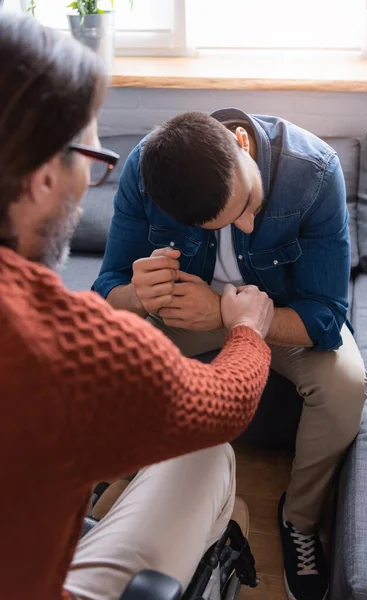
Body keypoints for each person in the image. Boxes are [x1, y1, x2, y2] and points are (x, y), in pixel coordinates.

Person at [0, 13, 275, 600]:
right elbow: (224, 404)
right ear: (44, 176)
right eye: (91, 159)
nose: (89, 184)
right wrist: (247, 331)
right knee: (209, 456)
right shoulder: (61, 342)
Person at [93, 108, 367, 600]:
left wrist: (226, 314)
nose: (244, 226)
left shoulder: (316, 172)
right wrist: (136, 294)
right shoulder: (145, 170)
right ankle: (119, 484)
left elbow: (326, 315)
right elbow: (108, 288)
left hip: (279, 321)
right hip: (181, 316)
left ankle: (299, 520)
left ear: (241, 143)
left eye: (247, 205)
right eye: (222, 223)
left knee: (345, 384)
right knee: (108, 347)